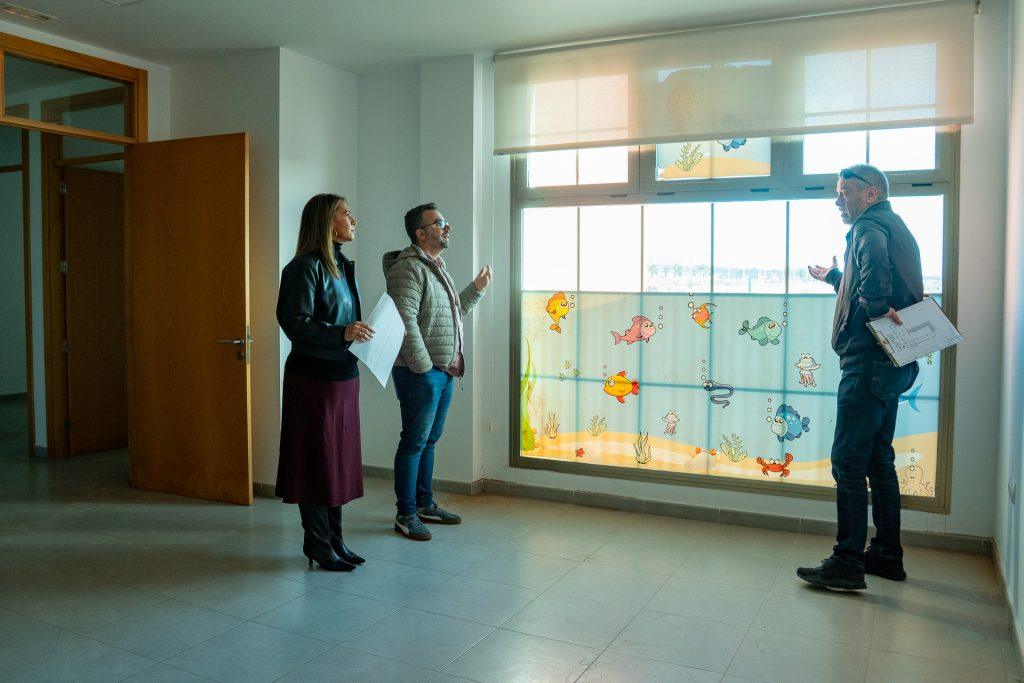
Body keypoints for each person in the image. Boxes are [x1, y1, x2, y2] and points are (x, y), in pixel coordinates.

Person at [798, 164, 923, 590]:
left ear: (870, 194)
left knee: (848, 461)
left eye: (845, 191)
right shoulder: (896, 226)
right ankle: (886, 554)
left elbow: (874, 287)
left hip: (868, 362)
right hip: (894, 361)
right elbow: (876, 281)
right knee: (878, 459)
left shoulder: (867, 228)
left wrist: (876, 307)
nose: (838, 200)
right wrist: (835, 277)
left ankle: (847, 562)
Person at [276, 193, 375, 571]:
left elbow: (344, 320)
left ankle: (335, 541)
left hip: (342, 376)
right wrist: (342, 332)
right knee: (316, 462)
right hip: (313, 379)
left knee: (335, 463)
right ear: (327, 222)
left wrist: (356, 332)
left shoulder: (341, 264)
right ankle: (318, 545)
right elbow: (295, 323)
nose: (354, 219)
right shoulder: (303, 267)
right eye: (346, 214)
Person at [383, 203, 493, 541]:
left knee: (428, 441)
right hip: (422, 372)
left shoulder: (435, 267)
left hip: (442, 371)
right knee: (414, 442)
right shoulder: (408, 268)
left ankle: (424, 504)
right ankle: (406, 513)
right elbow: (405, 322)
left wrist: (476, 288)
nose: (447, 227)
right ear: (421, 233)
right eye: (439, 222)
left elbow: (451, 317)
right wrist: (423, 367)